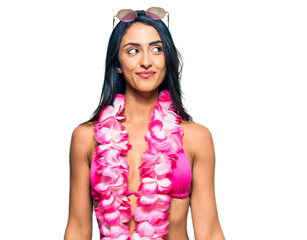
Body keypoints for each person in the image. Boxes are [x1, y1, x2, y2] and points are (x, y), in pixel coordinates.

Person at [64, 7, 225, 240]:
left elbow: (209, 232)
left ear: (167, 59)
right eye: (132, 51)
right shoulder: (86, 138)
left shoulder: (196, 138)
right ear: (117, 63)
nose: (146, 61)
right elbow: (77, 230)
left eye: (156, 49)